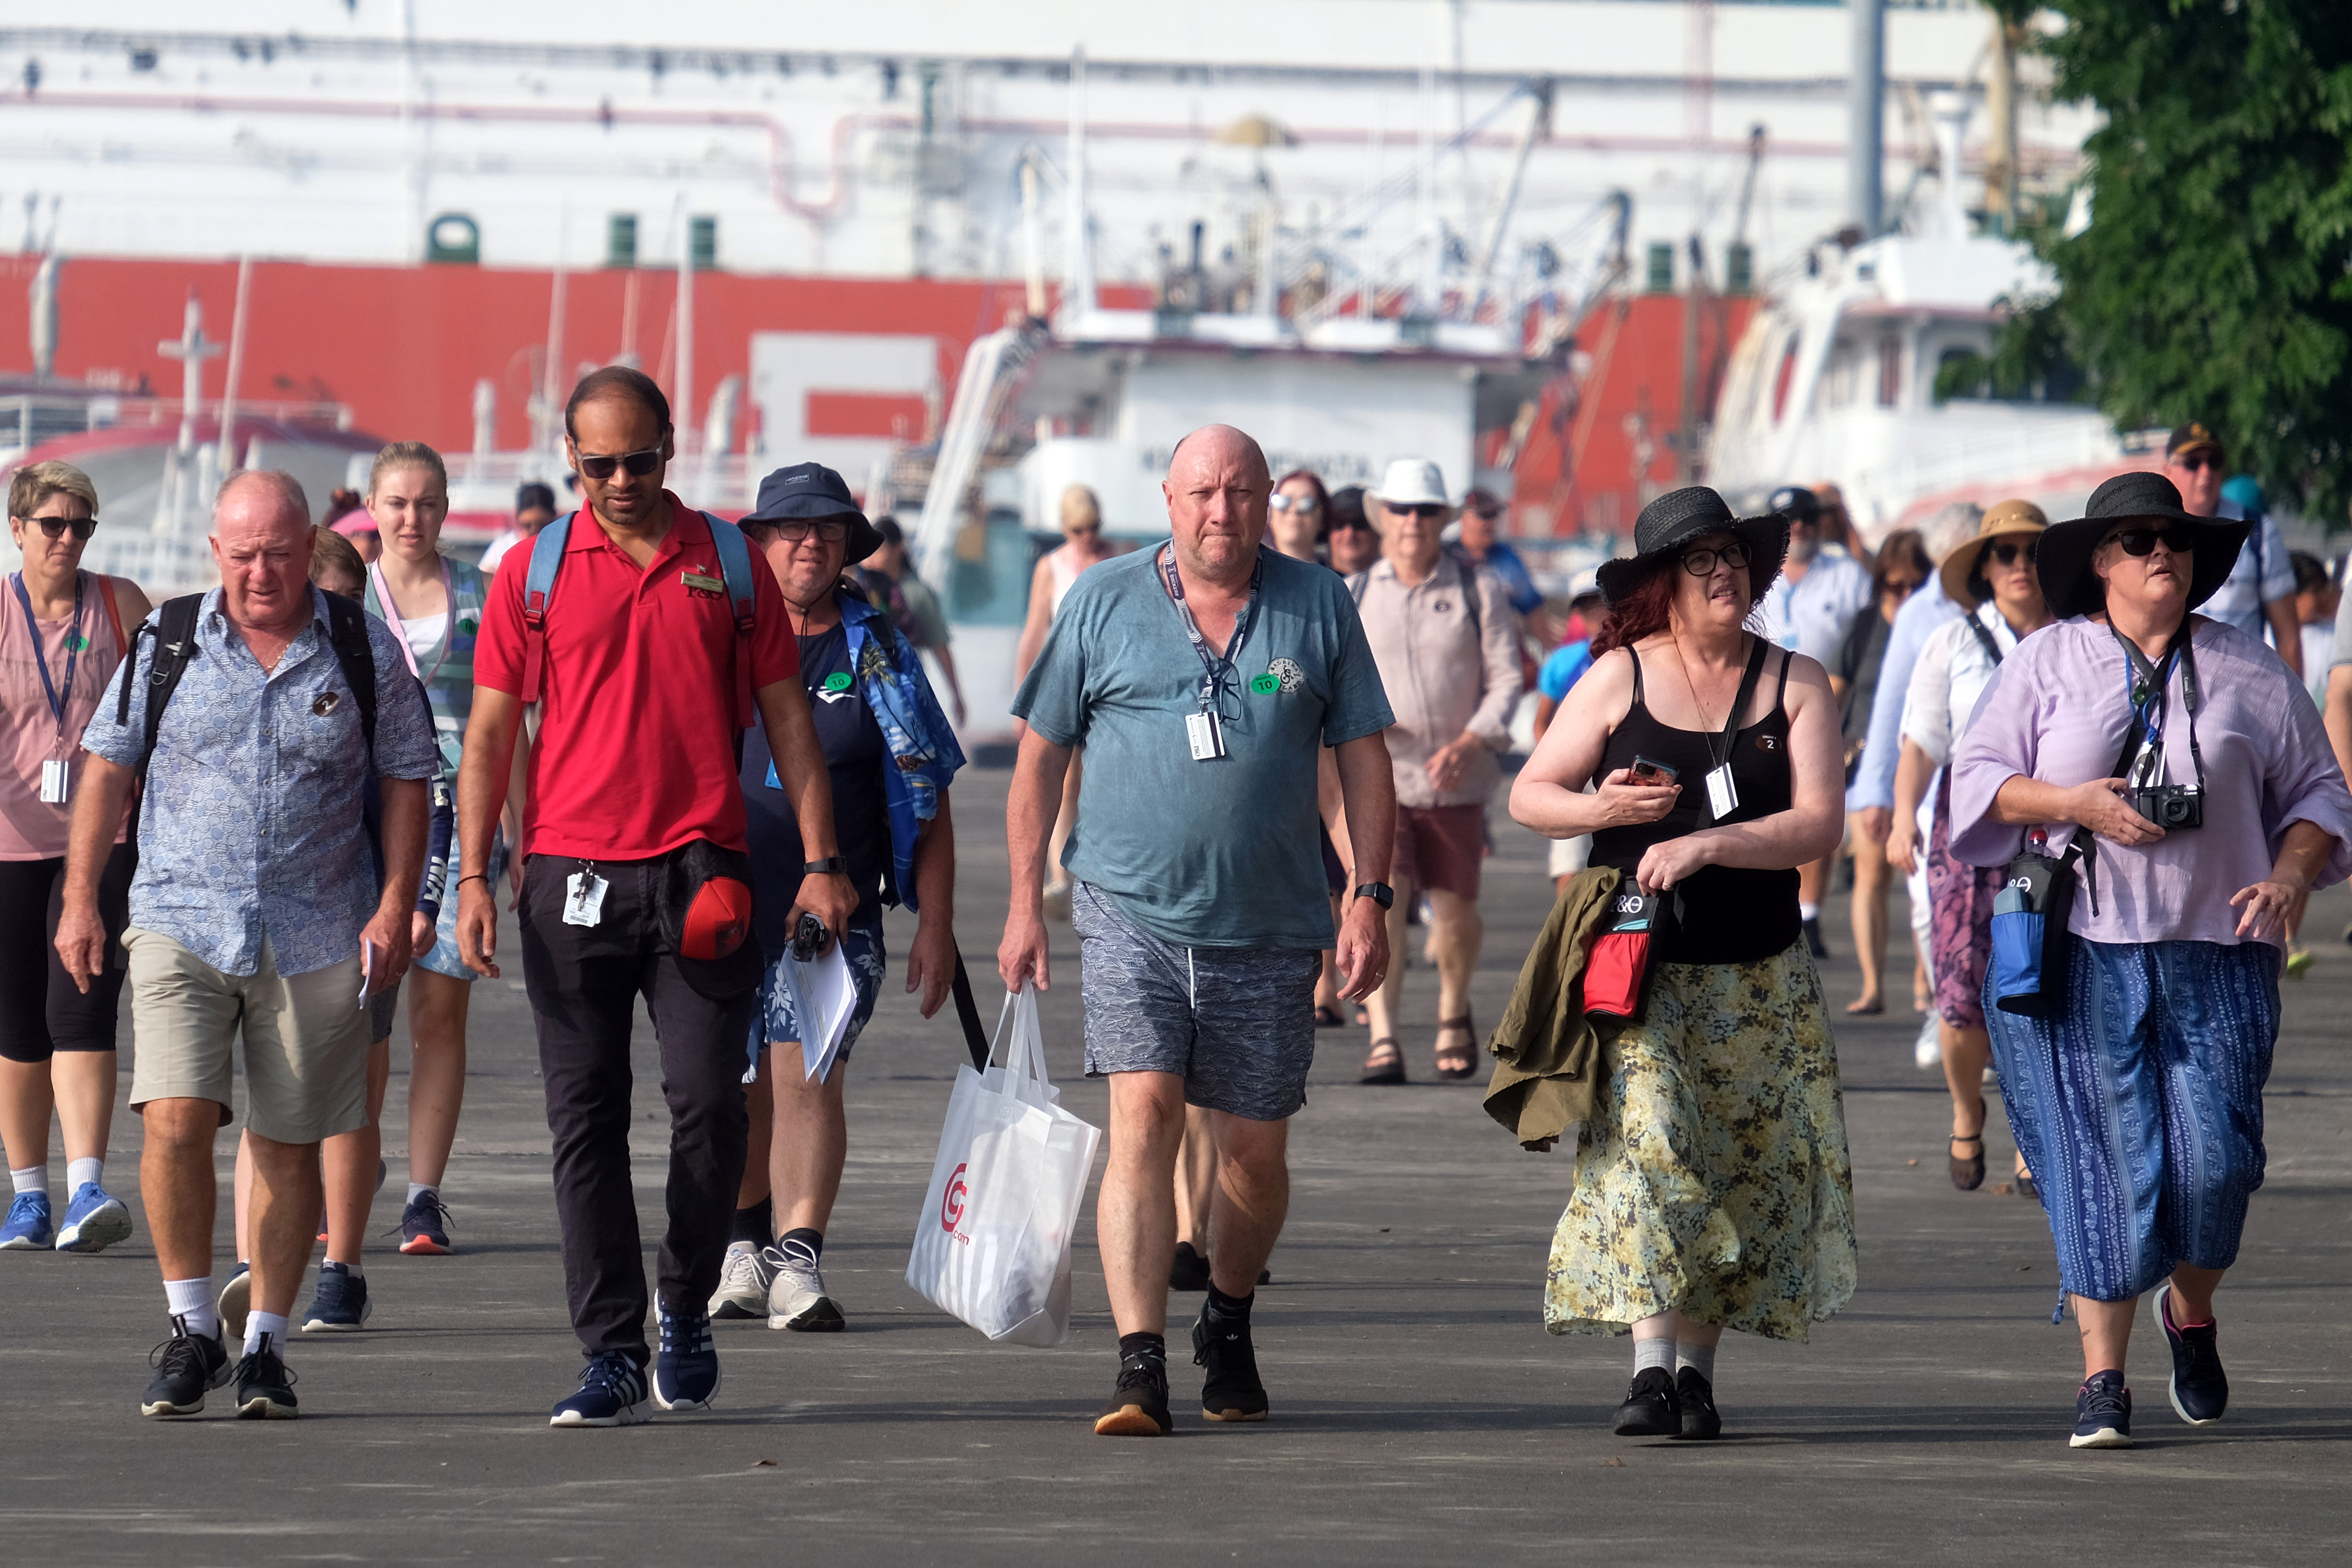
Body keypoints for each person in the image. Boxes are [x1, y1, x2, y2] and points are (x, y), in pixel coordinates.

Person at [453, 366, 856, 1427]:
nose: (621, 480)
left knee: (710, 1105)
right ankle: (610, 1348)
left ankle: (685, 1304)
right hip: (566, 880)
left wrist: (820, 858)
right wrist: (471, 879)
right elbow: (490, 734)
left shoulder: (726, 561)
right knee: (581, 1122)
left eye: (640, 458)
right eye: (598, 465)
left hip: (702, 879)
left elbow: (789, 723)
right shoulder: (532, 572)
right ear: (569, 458)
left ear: (670, 447)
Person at [1000, 423, 1397, 1437]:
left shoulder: (1316, 604)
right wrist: (1019, 907)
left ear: (1267, 500)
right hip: (1128, 907)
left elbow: (1361, 757)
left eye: (1242, 491)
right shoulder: (1102, 599)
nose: (1222, 510)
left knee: (1252, 1158)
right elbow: (1039, 756)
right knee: (1142, 1115)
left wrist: (1369, 893)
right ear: (1169, 501)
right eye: (1203, 491)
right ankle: (1139, 1363)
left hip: (1271, 921)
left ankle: (1226, 1315)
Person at [1948, 470, 2352, 1449]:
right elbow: (1977, 782)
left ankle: (2193, 1311)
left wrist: (2295, 875)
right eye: (2134, 539)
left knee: (2216, 1169)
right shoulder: (2046, 660)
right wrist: (2074, 803)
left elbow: (2320, 795)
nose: (2157, 551)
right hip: (2080, 951)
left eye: (2170, 537)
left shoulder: (2250, 668)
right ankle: (2102, 1380)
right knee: (2101, 1166)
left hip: (2221, 949)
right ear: (2097, 562)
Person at [61, 469, 437, 1419]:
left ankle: (265, 1342)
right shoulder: (170, 638)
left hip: (317, 924)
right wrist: (80, 901)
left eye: (278, 551)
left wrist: (396, 904)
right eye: (242, 554)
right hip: (181, 916)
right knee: (175, 1119)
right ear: (214, 551)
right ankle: (192, 1327)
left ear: (309, 542)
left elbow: (405, 780)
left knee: (287, 1137)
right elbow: (105, 770)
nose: (260, 572)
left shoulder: (359, 645)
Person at [1508, 485, 1853, 1442]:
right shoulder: (1618, 676)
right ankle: (1647, 1368)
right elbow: (1532, 794)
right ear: (1663, 581)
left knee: (1736, 1168)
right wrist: (1604, 811)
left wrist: (1709, 845)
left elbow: (1818, 821)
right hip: (1638, 969)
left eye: (1732, 557)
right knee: (1654, 1145)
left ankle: (1691, 1376)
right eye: (1699, 560)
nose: (1721, 574)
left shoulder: (1796, 681)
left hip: (1757, 975)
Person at [707, 464, 964, 1333]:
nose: (809, 541)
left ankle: (797, 1256)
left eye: (827, 529)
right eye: (791, 528)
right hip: (722, 899)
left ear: (848, 547)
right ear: (760, 544)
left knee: (805, 1068)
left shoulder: (880, 651)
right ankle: (744, 1245)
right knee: (736, 1078)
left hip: (836, 909)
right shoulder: (720, 640)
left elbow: (929, 795)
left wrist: (936, 922)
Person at [215, 525, 457, 1338]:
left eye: (343, 606)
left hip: (357, 913)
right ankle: (255, 1262)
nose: (333, 624)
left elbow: (430, 797)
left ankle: (342, 1266)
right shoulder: (242, 668)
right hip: (257, 917)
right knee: (266, 1102)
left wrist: (417, 903)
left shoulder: (380, 667)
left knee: (349, 1097)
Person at [0, 462, 151, 1254]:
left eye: (82, 524)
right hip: (8, 841)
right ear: (18, 528)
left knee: (83, 1001)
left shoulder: (122, 604)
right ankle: (28, 1192)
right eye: (53, 523)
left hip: (103, 838)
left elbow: (165, 714)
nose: (68, 538)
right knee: (18, 1021)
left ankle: (87, 1184)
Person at [1884, 502, 2052, 1195]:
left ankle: (2031, 1130)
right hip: (1968, 832)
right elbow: (1921, 740)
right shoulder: (1952, 642)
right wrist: (1900, 815)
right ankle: (1965, 1106)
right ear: (1984, 567)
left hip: (2051, 829)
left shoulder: (2077, 638)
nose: (2019, 565)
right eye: (2005, 553)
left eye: (2031, 552)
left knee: (2039, 985)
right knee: (1959, 991)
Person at [356, 441, 496, 1264]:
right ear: (373, 508)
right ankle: (351, 1170)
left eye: (428, 503)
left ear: (446, 510)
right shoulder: (346, 598)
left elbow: (512, 720)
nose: (413, 518)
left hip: (460, 823)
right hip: (363, 823)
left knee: (439, 1013)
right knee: (362, 1011)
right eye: (398, 503)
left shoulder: (480, 595)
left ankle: (422, 1195)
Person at [1350, 458, 1522, 1083]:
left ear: (1443, 519)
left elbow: (1507, 677)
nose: (1413, 522)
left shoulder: (1479, 589)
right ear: (1383, 518)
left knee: (1454, 911)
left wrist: (1474, 740)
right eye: (1402, 509)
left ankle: (1453, 1005)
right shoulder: (1355, 593)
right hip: (1379, 780)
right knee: (1382, 906)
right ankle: (1385, 1035)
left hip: (1458, 781)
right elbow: (1324, 679)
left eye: (1426, 510)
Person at [1851, 502, 1982, 1063]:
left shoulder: (2023, 611)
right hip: (1928, 785)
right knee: (1930, 907)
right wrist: (1876, 792)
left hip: (2007, 787)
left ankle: (1990, 1021)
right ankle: (1945, 1011)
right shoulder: (1918, 614)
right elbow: (1889, 708)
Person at [1758, 485, 1872, 958]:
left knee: (1814, 806)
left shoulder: (1846, 573)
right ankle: (1766, 907)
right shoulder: (1755, 572)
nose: (1800, 526)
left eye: (1807, 516)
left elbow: (1879, 620)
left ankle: (1808, 917)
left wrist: (1844, 521)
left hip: (1829, 706)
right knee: (1761, 808)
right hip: (1760, 707)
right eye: (1789, 517)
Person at [1013, 484, 1120, 923]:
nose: (1088, 536)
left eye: (1094, 527)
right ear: (1064, 528)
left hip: (1112, 682)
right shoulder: (1051, 566)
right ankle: (1061, 874)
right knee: (1063, 778)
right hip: (1065, 682)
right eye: (1079, 529)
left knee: (1107, 778)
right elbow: (1034, 631)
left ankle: (1104, 869)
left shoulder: (1118, 558)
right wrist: (1023, 699)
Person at [1833, 529, 1929, 1014]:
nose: (1905, 595)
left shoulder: (1934, 623)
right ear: (1879, 586)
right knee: (1870, 871)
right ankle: (1872, 986)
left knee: (1921, 875)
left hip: (1922, 763)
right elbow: (1840, 686)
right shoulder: (1866, 625)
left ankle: (1923, 978)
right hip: (1868, 761)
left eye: (1915, 584)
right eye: (1894, 586)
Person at [2168, 424, 2298, 679]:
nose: (2206, 473)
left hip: (2244, 692)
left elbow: (2289, 636)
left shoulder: (2257, 531)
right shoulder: (2151, 536)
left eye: (2214, 461)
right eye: (2193, 463)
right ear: (2167, 471)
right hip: (2172, 698)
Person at [853, 515, 967, 729]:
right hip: (864, 689)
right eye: (869, 550)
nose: (871, 557)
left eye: (879, 549)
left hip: (904, 689)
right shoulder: (859, 587)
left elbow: (939, 645)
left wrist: (956, 695)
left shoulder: (916, 592)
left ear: (899, 549)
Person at [1533, 570, 1605, 896]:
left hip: (1624, 768)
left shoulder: (1641, 653)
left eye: (1603, 604)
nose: (1597, 614)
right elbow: (1541, 722)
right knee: (1570, 861)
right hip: (1575, 773)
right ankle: (1569, 936)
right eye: (1587, 607)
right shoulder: (1563, 660)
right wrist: (1552, 765)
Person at [1454, 488, 1546, 620]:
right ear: (1463, 518)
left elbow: (1533, 610)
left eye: (1495, 515)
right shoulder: (1447, 555)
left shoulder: (1506, 558)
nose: (1491, 523)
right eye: (1484, 515)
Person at [477, 481, 557, 578]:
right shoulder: (502, 547)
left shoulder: (560, 548)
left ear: (554, 517)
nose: (534, 530)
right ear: (516, 514)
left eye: (542, 525)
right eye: (527, 525)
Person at [1267, 469, 1330, 564]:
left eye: (1306, 503)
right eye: (1283, 502)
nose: (1294, 510)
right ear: (1271, 516)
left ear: (1322, 518)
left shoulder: (1336, 578)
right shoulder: (1248, 575)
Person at [1325, 485, 1380, 577]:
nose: (1349, 533)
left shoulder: (1398, 584)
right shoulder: (1315, 583)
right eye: (1340, 524)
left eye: (1359, 524)